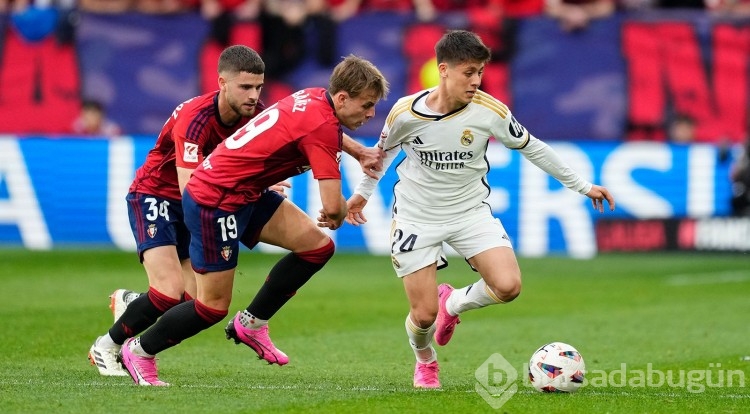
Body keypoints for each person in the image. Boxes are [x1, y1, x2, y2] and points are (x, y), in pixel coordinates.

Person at [88, 46, 383, 378]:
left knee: (316, 247)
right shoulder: (194, 119)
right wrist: (241, 188)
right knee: (175, 295)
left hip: (228, 191)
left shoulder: (270, 106)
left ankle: (251, 324)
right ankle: (110, 346)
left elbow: (304, 126)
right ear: (221, 83)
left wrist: (358, 152)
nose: (254, 95)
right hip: (164, 195)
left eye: (258, 87)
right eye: (245, 87)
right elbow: (189, 187)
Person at [345, 30, 615, 389]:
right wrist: (362, 194)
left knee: (508, 286)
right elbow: (383, 154)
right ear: (443, 70)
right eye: (468, 72)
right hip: (417, 218)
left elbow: (533, 148)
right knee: (422, 316)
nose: (476, 81)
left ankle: (453, 303)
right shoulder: (405, 113)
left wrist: (583, 186)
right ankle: (425, 362)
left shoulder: (490, 112)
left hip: (469, 212)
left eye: (480, 73)